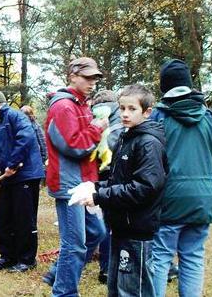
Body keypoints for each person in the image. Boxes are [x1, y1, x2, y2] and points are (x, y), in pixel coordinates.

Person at [72, 84, 168, 297]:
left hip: (137, 230)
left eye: (132, 109)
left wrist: (99, 196)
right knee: (116, 288)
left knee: (133, 290)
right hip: (120, 226)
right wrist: (94, 186)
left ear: (147, 112)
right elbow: (119, 180)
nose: (125, 114)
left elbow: (144, 188)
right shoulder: (127, 137)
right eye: (122, 108)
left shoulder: (148, 143)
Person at [150, 59, 212, 297]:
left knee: (161, 257)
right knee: (193, 256)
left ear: (165, 86)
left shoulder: (159, 117)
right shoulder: (210, 117)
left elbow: (149, 158)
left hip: (169, 198)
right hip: (202, 199)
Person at [42, 57, 108, 296]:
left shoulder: (81, 105)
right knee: (74, 244)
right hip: (68, 184)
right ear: (72, 77)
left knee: (96, 233)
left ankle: (55, 274)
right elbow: (74, 145)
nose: (92, 83)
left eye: (95, 78)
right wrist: (98, 129)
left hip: (82, 182)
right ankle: (64, 292)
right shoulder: (63, 106)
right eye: (87, 77)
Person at [0, 89, 45, 273]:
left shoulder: (16, 116)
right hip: (9, 178)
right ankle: (8, 256)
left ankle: (26, 259)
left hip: (26, 175)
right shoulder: (0, 124)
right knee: (3, 217)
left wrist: (13, 163)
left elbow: (25, 139)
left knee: (23, 219)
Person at [90, 90, 124, 284]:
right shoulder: (124, 116)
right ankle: (119, 266)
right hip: (121, 174)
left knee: (104, 222)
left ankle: (105, 269)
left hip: (99, 176)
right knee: (119, 223)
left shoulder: (91, 117)